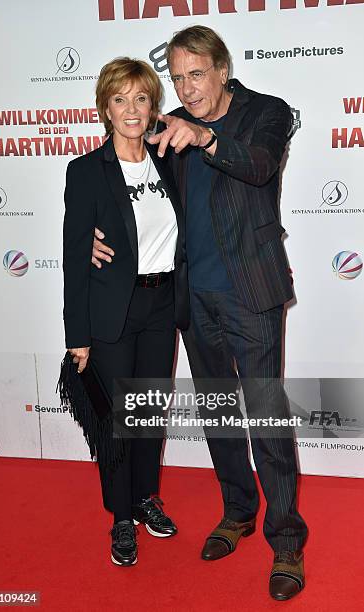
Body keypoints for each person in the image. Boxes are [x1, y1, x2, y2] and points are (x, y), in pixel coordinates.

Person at [91, 27, 308, 599]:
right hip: (193, 300)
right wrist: (94, 233)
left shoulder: (266, 112)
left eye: (197, 74)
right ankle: (237, 511)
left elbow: (258, 165)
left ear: (221, 69)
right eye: (178, 77)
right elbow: (131, 186)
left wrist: (205, 138)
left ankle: (285, 539)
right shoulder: (165, 131)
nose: (187, 89)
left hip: (250, 293)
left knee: (264, 414)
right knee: (219, 417)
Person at [62, 57, 189, 567]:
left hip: (163, 305)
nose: (132, 109)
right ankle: (120, 517)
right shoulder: (86, 172)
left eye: (141, 98)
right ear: (106, 109)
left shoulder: (170, 160)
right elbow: (75, 258)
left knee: (149, 412)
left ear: (152, 105)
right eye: (120, 100)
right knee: (118, 421)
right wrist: (78, 335)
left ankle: (144, 499)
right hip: (113, 309)